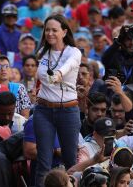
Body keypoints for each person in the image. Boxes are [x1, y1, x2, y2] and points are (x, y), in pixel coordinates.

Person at [33, 14, 81, 187]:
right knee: (43, 162)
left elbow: (68, 65)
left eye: (54, 30)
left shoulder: (74, 52)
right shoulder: (42, 52)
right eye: (47, 30)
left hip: (68, 111)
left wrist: (60, 74)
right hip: (44, 110)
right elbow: (42, 78)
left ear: (64, 32)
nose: (50, 33)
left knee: (71, 161)